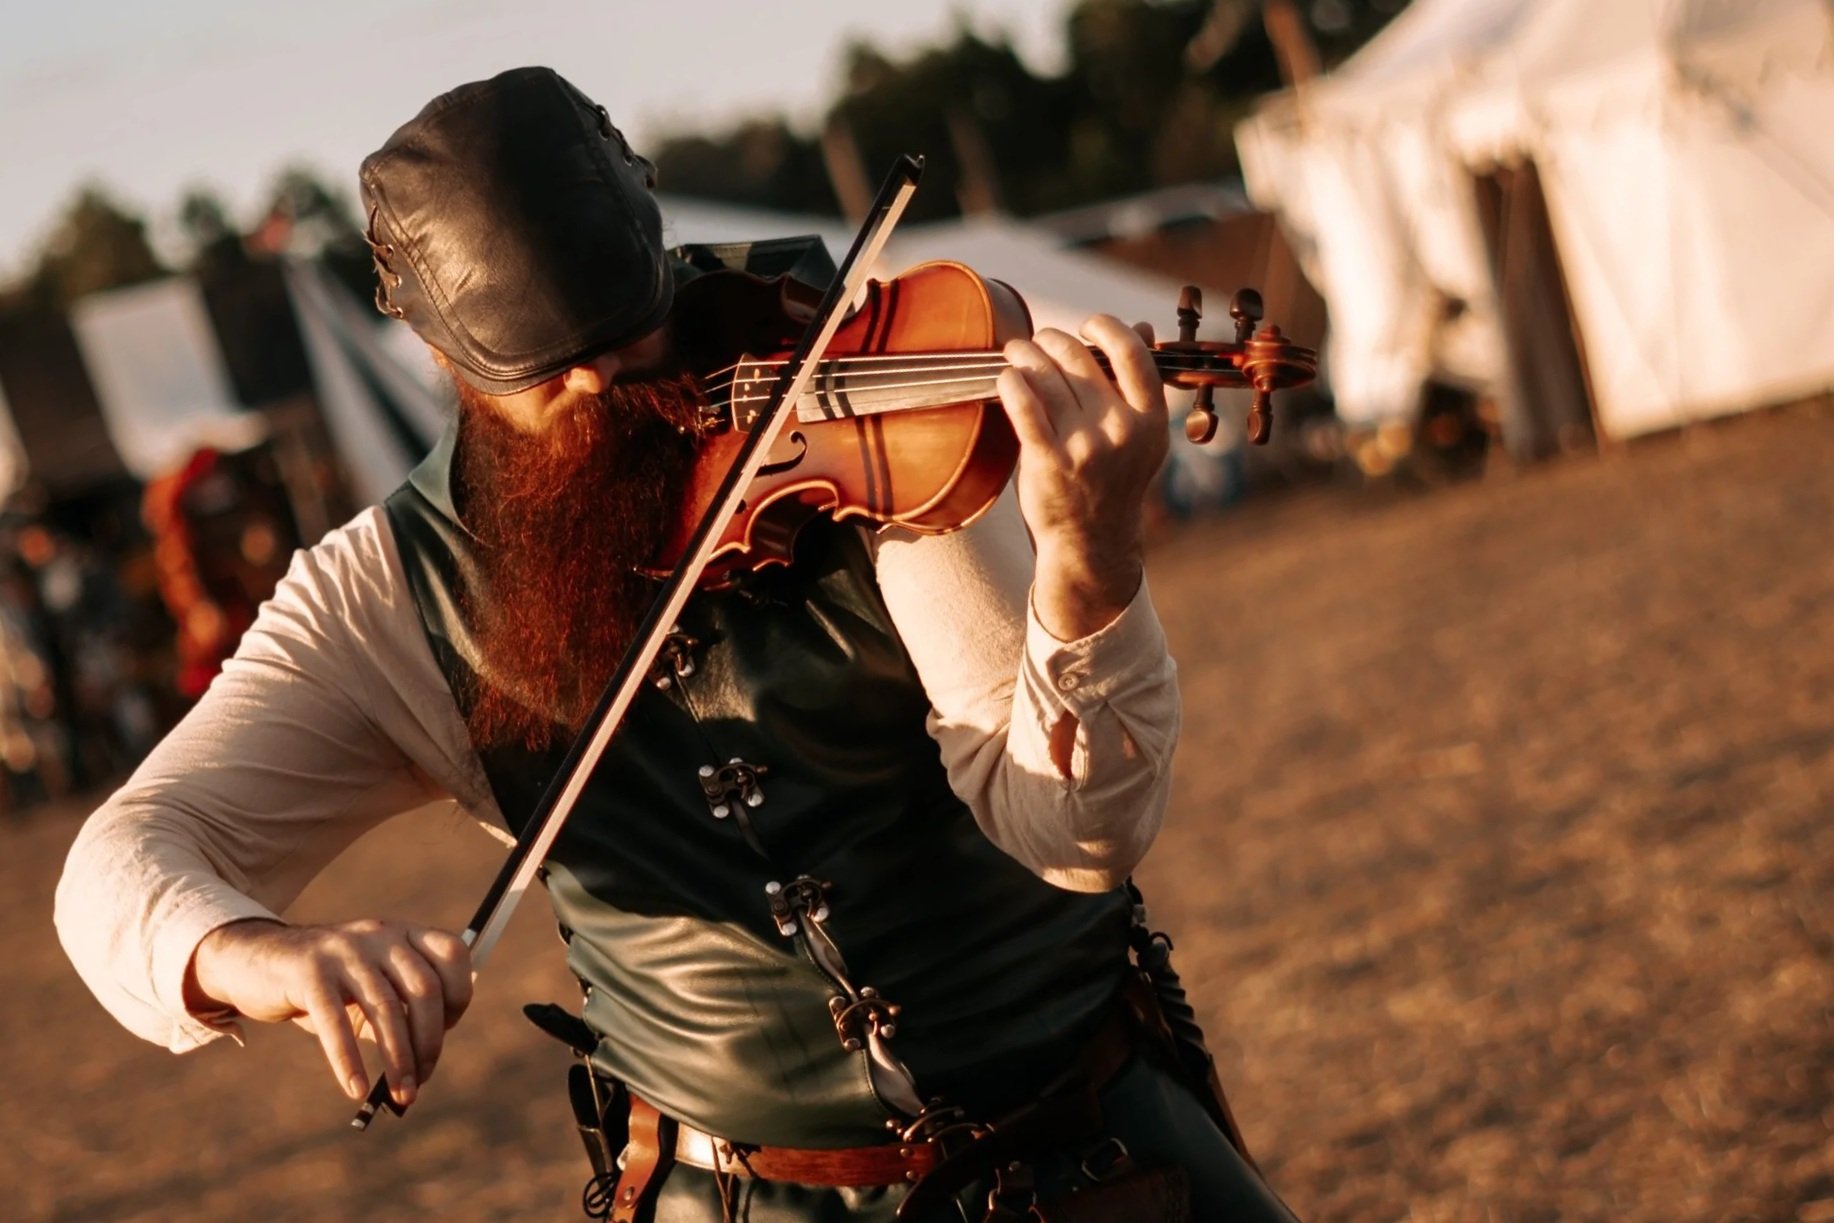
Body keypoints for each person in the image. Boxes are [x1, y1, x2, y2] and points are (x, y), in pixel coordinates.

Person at [56, 67, 1295, 1222]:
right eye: (546, 372)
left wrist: (1088, 563)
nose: (606, 389)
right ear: (441, 357)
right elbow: (120, 863)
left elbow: (1080, 835)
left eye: (628, 334)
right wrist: (263, 954)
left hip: (1082, 1150)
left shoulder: (868, 402)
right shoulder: (387, 593)